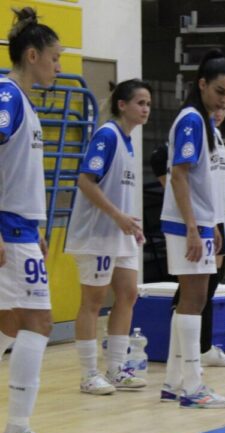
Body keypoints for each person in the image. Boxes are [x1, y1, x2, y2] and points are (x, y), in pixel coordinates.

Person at [0, 7, 66, 433]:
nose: (59, 66)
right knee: (39, 324)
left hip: (23, 228)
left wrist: (37, 226)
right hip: (8, 229)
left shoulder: (22, 101)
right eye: (55, 58)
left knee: (9, 326)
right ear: (32, 54)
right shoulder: (7, 96)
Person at [160, 49, 225, 408]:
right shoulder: (192, 120)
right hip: (184, 223)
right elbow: (179, 175)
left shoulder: (203, 121)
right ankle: (192, 386)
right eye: (220, 91)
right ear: (202, 84)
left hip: (198, 222)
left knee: (194, 299)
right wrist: (193, 227)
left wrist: (211, 223)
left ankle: (175, 380)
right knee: (193, 299)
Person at [65, 79, 152, 395]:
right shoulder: (107, 135)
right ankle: (89, 373)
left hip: (120, 233)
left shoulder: (129, 141)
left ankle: (116, 368)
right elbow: (86, 182)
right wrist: (117, 217)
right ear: (122, 105)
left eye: (148, 104)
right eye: (140, 103)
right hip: (96, 234)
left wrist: (131, 223)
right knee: (94, 300)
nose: (145, 109)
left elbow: (119, 192)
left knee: (128, 294)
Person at [149, 107, 225, 367]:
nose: (223, 108)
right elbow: (166, 163)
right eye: (220, 99)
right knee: (194, 292)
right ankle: (192, 360)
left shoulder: (216, 135)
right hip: (195, 220)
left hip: (215, 217)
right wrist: (190, 218)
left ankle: (201, 350)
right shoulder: (192, 123)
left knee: (208, 287)